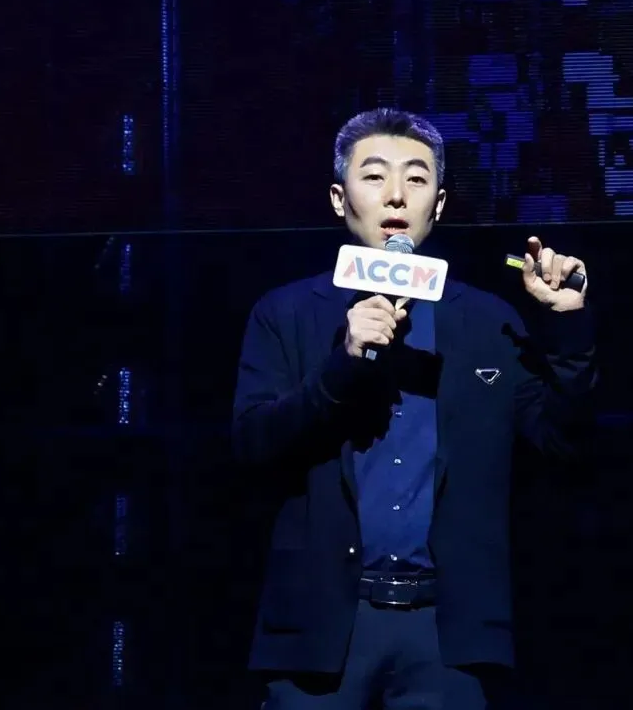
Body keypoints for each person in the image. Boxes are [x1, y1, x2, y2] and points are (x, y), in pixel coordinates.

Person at [232, 108, 598, 709]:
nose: (397, 195)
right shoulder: (287, 314)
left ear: (439, 204)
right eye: (374, 176)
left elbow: (562, 442)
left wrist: (568, 328)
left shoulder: (486, 321)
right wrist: (342, 364)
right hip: (321, 627)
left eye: (417, 178)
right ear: (339, 198)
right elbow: (252, 446)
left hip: (446, 635)